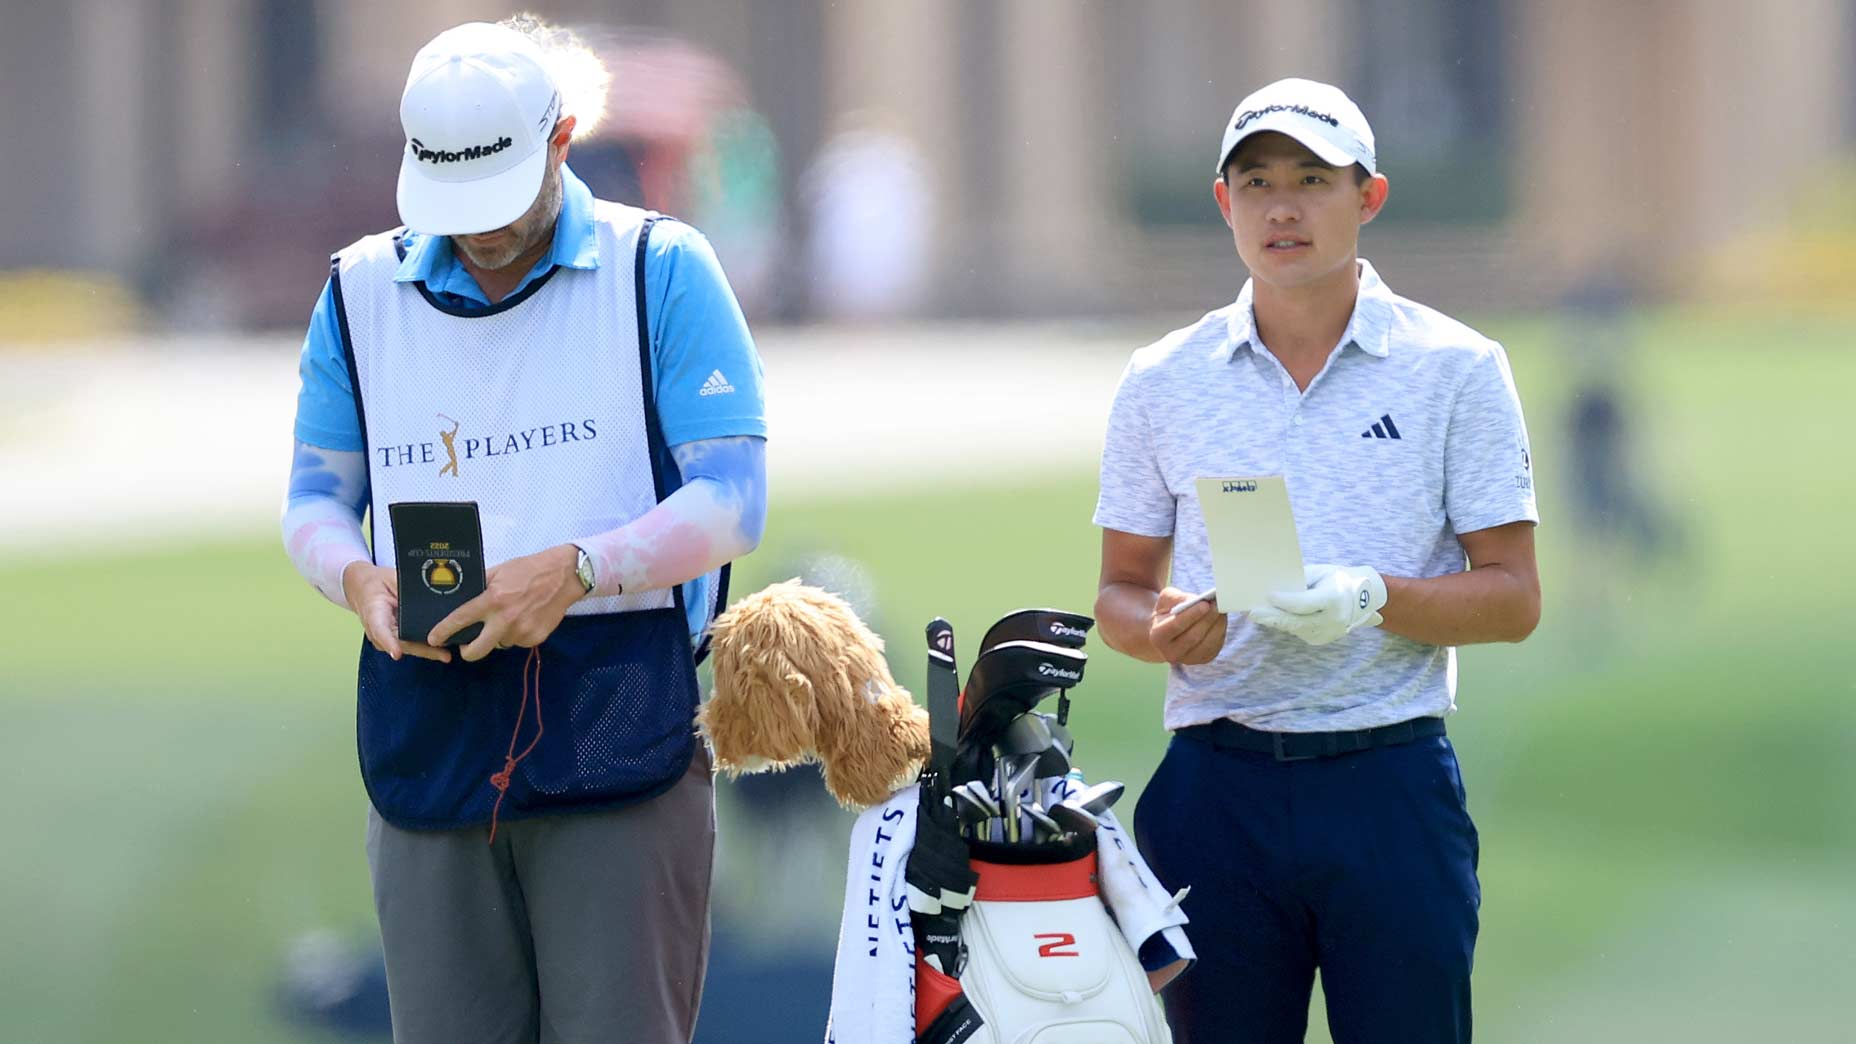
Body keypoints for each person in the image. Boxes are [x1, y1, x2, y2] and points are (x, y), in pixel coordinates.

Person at [281, 17, 767, 1044]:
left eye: (497, 197)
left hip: (618, 705)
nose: (482, 230)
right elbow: (315, 504)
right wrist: (356, 580)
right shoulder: (358, 291)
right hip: (431, 705)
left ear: (563, 137)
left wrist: (581, 568)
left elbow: (732, 500)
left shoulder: (661, 267)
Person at [1092, 78, 1540, 1043]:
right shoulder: (1162, 379)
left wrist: (1376, 597)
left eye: (1311, 179)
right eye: (1255, 183)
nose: (1281, 207)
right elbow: (1119, 592)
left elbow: (1513, 599)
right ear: (1225, 204)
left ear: (1367, 197)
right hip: (1215, 790)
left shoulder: (1457, 367)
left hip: (1389, 785)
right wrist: (1162, 631)